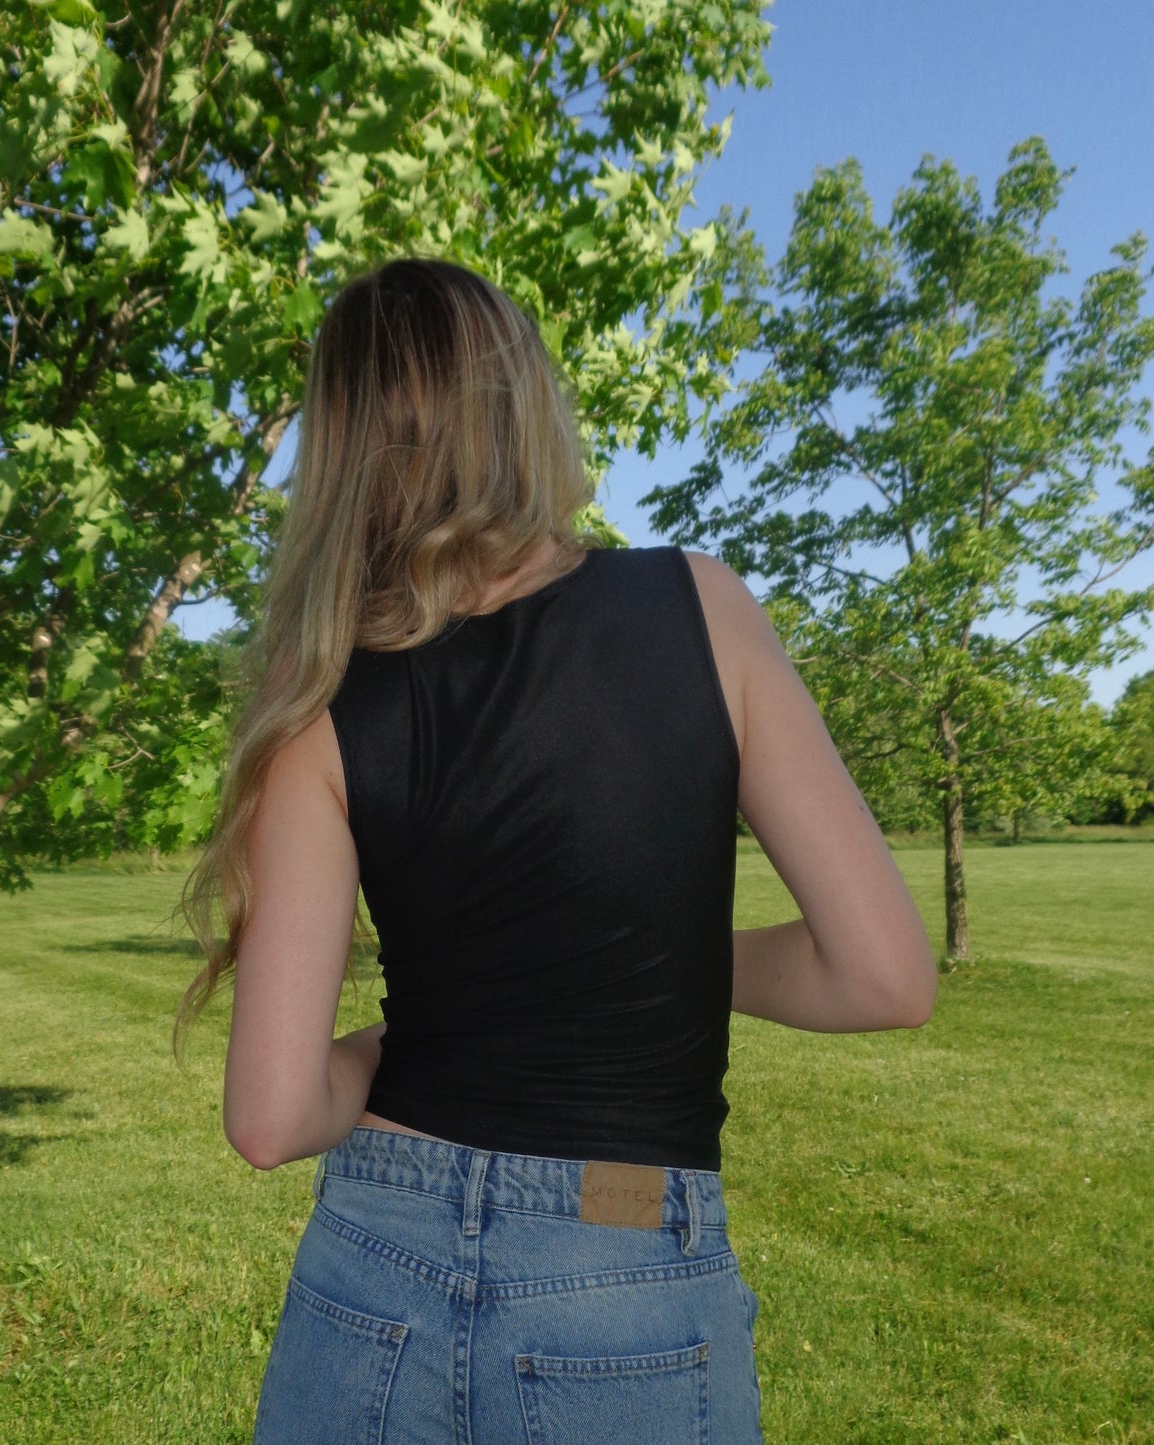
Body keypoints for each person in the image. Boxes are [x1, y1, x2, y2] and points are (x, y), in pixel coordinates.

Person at [176, 256, 938, 1444]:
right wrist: (664, 962)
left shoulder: (318, 700)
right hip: (623, 1257)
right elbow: (884, 975)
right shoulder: (699, 607)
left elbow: (272, 1116)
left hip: (373, 1261)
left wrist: (390, 1039)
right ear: (525, 404)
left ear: (336, 454)